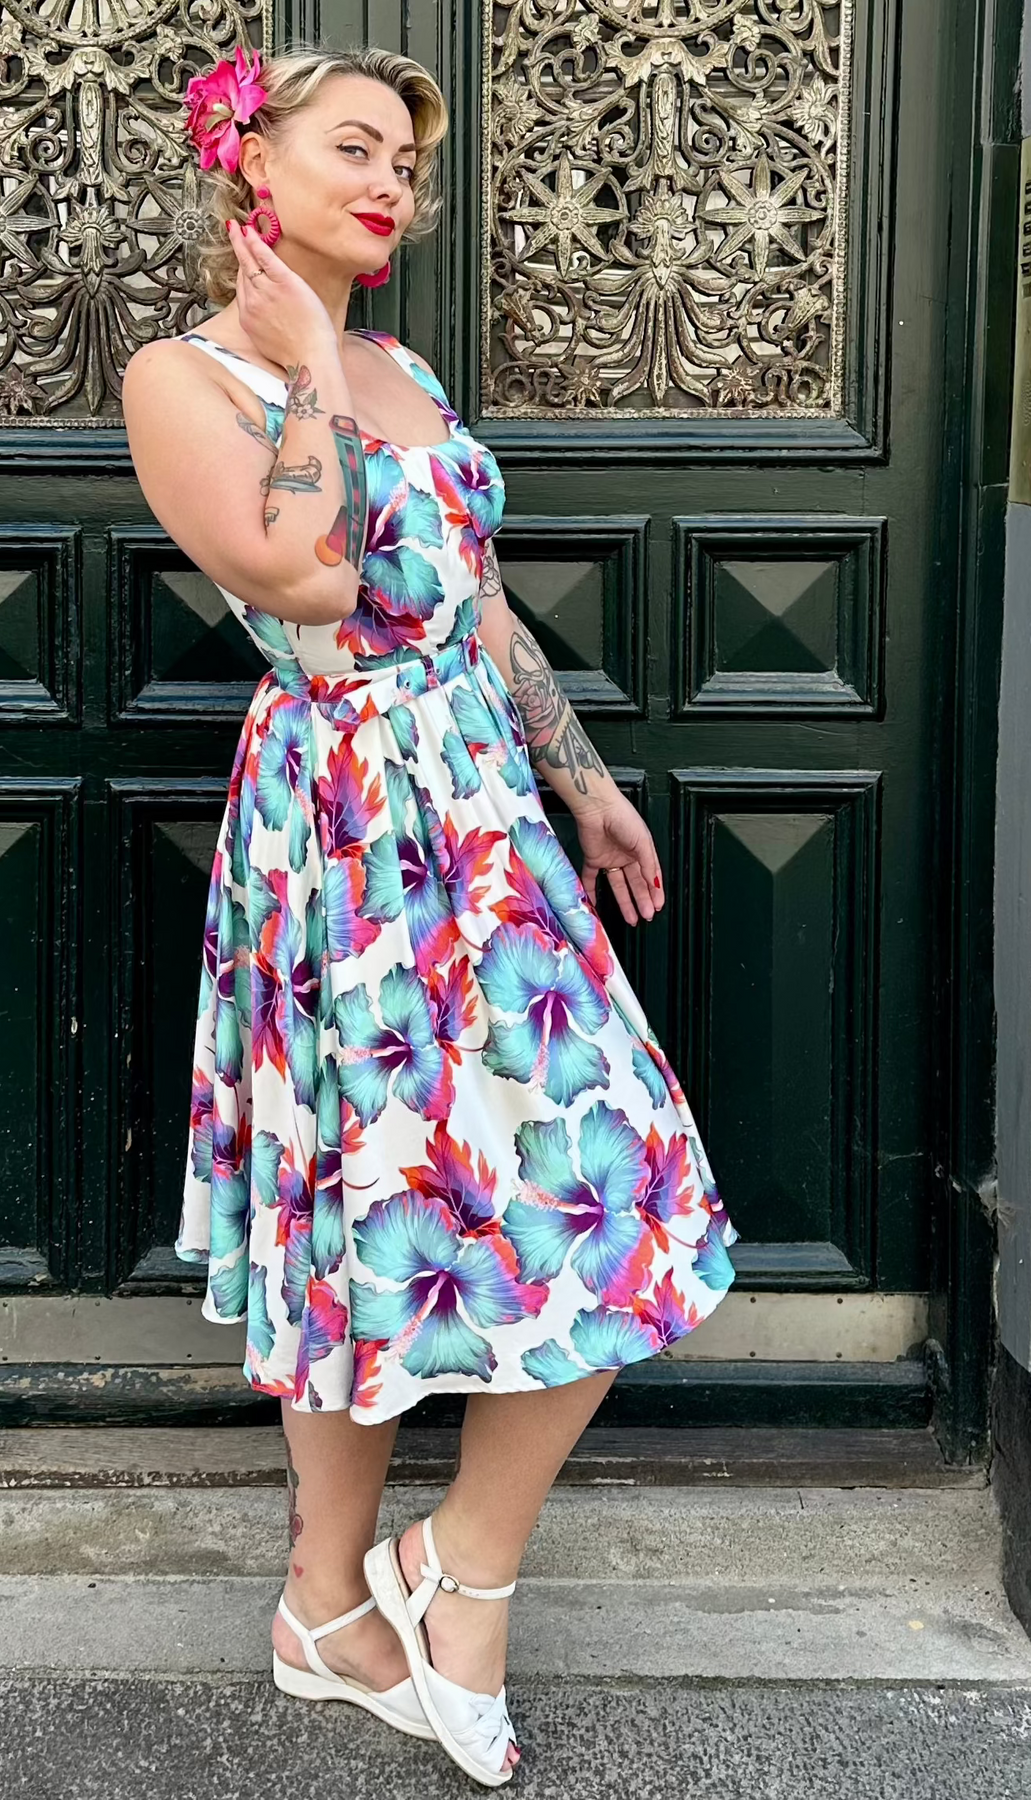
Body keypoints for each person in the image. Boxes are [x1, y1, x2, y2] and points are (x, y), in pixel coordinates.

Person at [122, 41, 740, 1788]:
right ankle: (332, 1604)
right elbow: (297, 572)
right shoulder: (181, 376)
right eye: (355, 147)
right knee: (352, 1198)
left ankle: (447, 1568)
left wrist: (579, 775)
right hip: (338, 824)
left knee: (613, 1179)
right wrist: (310, 369)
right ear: (252, 166)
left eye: (405, 158)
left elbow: (470, 600)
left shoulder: (402, 364)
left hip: (475, 807)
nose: (393, 182)